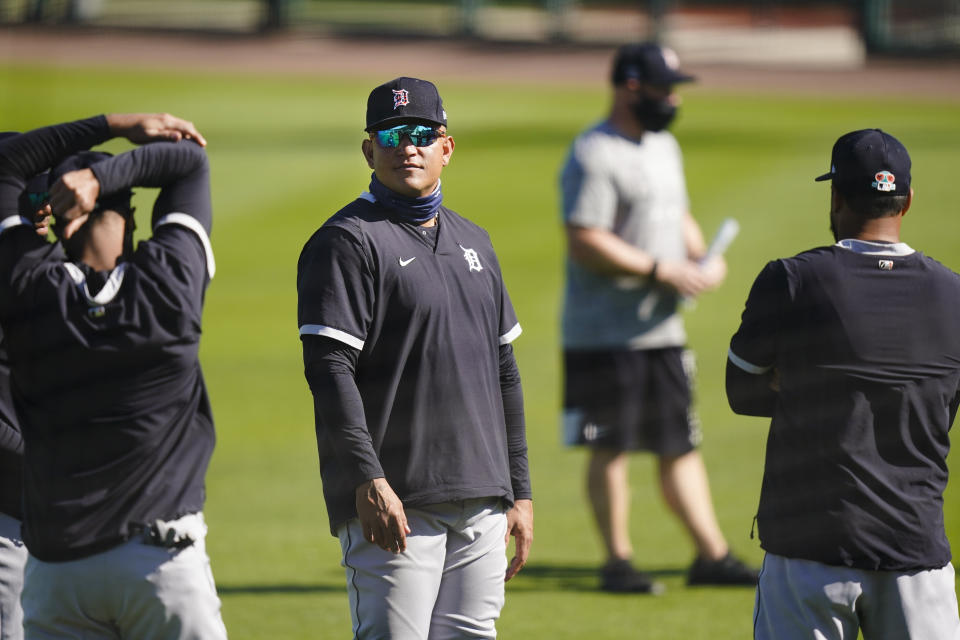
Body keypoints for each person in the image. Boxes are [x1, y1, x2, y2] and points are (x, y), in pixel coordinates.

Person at [297, 76, 533, 639]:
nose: (409, 145)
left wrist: (518, 491)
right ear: (368, 149)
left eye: (423, 133)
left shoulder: (476, 241)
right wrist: (367, 478)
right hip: (396, 499)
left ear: (446, 148)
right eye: (393, 132)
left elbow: (505, 372)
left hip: (481, 494)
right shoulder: (346, 242)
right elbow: (329, 370)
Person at [0, 113, 229, 639]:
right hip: (162, 566)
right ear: (128, 211)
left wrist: (111, 124)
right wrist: (106, 174)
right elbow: (190, 162)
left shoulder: (28, 291)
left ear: (59, 217)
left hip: (58, 571)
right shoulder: (170, 287)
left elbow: (7, 163)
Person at [727, 129, 960, 639]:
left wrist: (811, 386)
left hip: (807, 552)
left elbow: (741, 392)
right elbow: (942, 405)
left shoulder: (792, 280)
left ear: (836, 196)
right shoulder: (953, 293)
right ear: (908, 200)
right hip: (916, 554)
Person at [559, 42, 757, 593]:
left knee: (679, 443)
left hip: (661, 330)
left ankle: (711, 556)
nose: (672, 98)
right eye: (664, 88)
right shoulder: (593, 154)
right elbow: (585, 239)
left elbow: (677, 212)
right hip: (604, 333)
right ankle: (617, 562)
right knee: (610, 445)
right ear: (629, 86)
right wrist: (659, 270)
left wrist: (700, 258)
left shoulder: (664, 147)